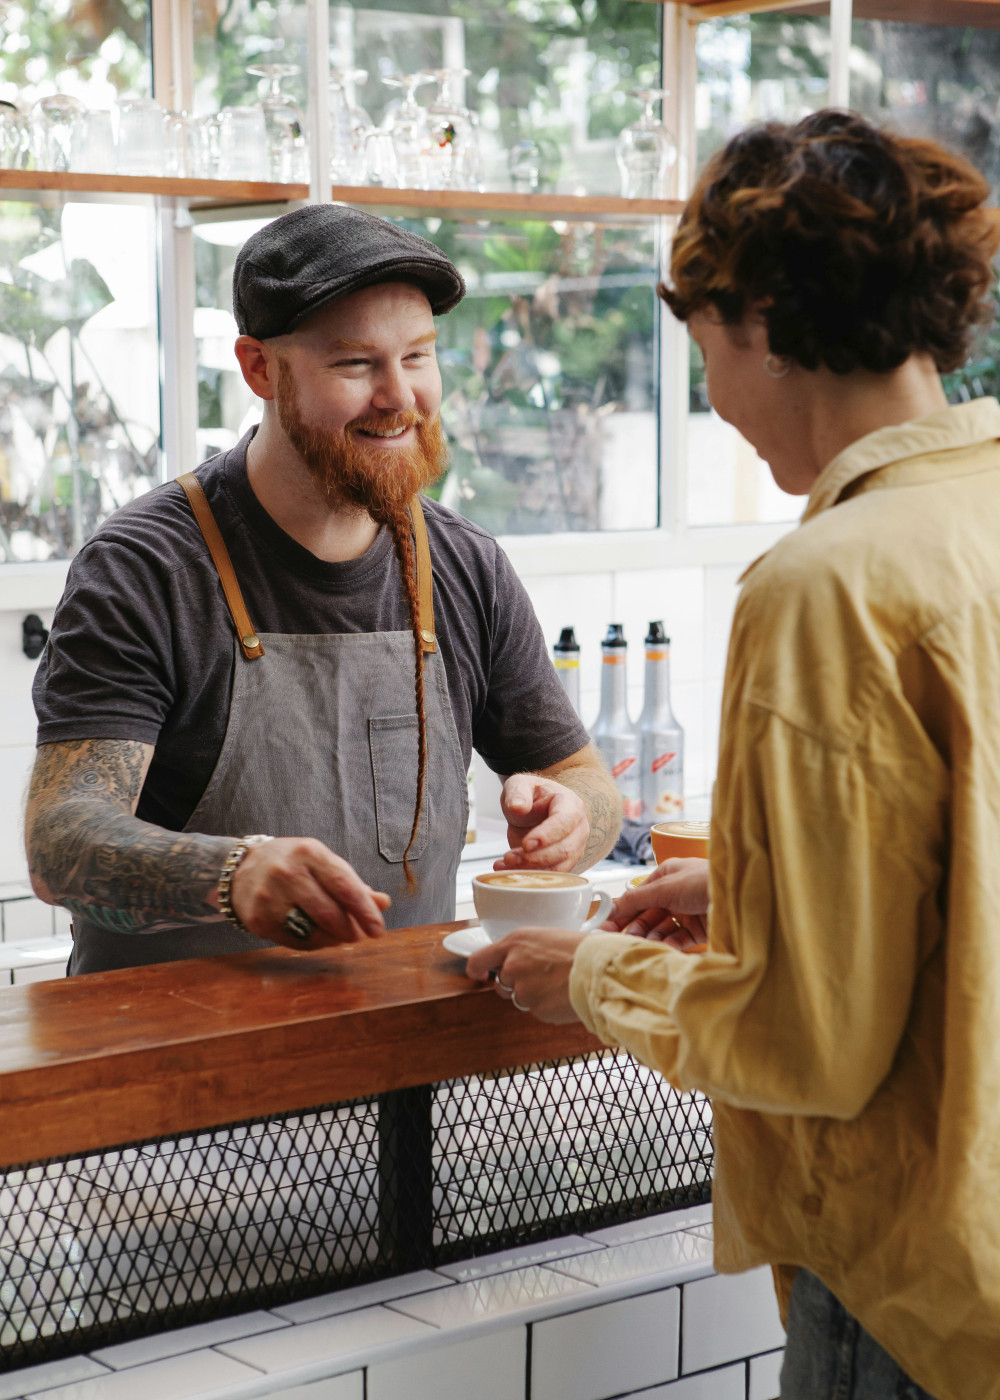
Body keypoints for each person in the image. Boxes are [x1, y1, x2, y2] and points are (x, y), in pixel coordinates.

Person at [469, 110, 1000, 1400]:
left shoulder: (825, 581)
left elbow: (805, 1038)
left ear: (759, 323)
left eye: (705, 350)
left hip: (914, 1289)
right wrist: (754, 880)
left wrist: (592, 971)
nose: (715, 396)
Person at [25, 204, 621, 974]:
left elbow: (583, 779)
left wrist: (576, 820)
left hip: (395, 1071)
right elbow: (62, 841)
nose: (400, 396)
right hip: (175, 1070)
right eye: (355, 364)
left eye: (418, 356)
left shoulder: (465, 567)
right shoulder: (147, 568)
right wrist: (229, 874)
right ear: (259, 368)